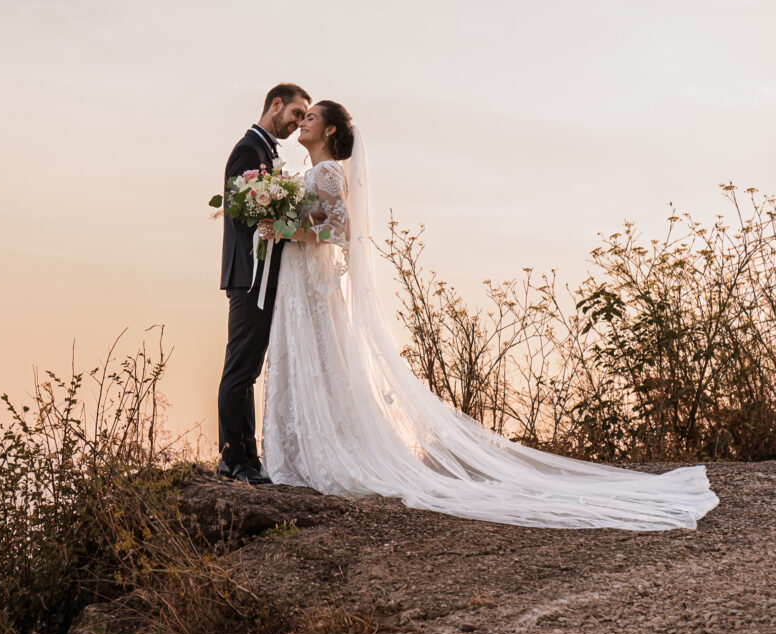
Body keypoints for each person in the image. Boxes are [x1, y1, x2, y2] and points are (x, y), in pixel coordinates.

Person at [256, 99, 719, 530]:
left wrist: (281, 228)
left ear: (330, 128)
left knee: (321, 355)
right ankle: (304, 450)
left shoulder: (329, 174)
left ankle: (328, 452)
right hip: (304, 280)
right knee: (312, 358)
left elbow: (338, 229)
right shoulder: (312, 171)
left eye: (312, 117)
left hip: (311, 279)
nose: (303, 122)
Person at [216, 83, 310, 485]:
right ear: (276, 104)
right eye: (296, 113)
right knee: (239, 369)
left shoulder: (266, 152)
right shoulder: (248, 150)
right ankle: (233, 460)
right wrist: (272, 217)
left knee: (249, 370)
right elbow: (239, 215)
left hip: (264, 274)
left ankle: (246, 459)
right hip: (249, 275)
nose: (297, 122)